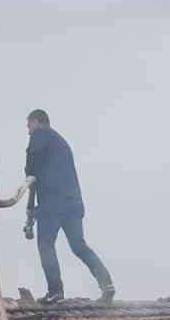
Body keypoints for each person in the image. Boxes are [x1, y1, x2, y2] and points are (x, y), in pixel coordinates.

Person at [24, 110, 115, 305]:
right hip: (73, 202)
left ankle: (55, 292)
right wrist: (31, 208)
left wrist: (28, 172)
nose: (28, 132)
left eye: (28, 126)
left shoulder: (41, 133)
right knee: (78, 245)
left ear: (36, 121)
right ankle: (107, 285)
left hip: (52, 202)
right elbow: (38, 176)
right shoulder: (60, 142)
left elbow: (33, 163)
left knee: (45, 243)